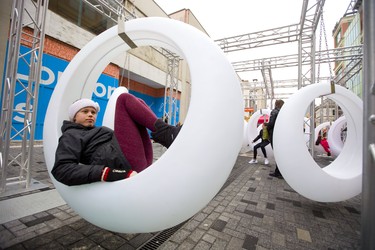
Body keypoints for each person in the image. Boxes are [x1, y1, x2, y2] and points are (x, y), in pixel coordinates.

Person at [52, 93, 181, 186]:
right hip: (121, 161)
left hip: (136, 159)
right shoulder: (71, 135)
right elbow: (62, 169)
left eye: (93, 112)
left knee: (139, 102)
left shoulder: (94, 130)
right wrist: (108, 173)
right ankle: (166, 133)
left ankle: (165, 133)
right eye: (85, 111)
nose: (90, 114)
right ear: (74, 117)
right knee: (124, 99)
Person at [267, 99, 284, 178]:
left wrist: (267, 129)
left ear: (276, 104)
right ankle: (279, 171)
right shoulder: (283, 112)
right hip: (280, 135)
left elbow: (271, 124)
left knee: (277, 154)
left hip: (274, 134)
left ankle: (278, 172)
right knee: (280, 153)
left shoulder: (274, 112)